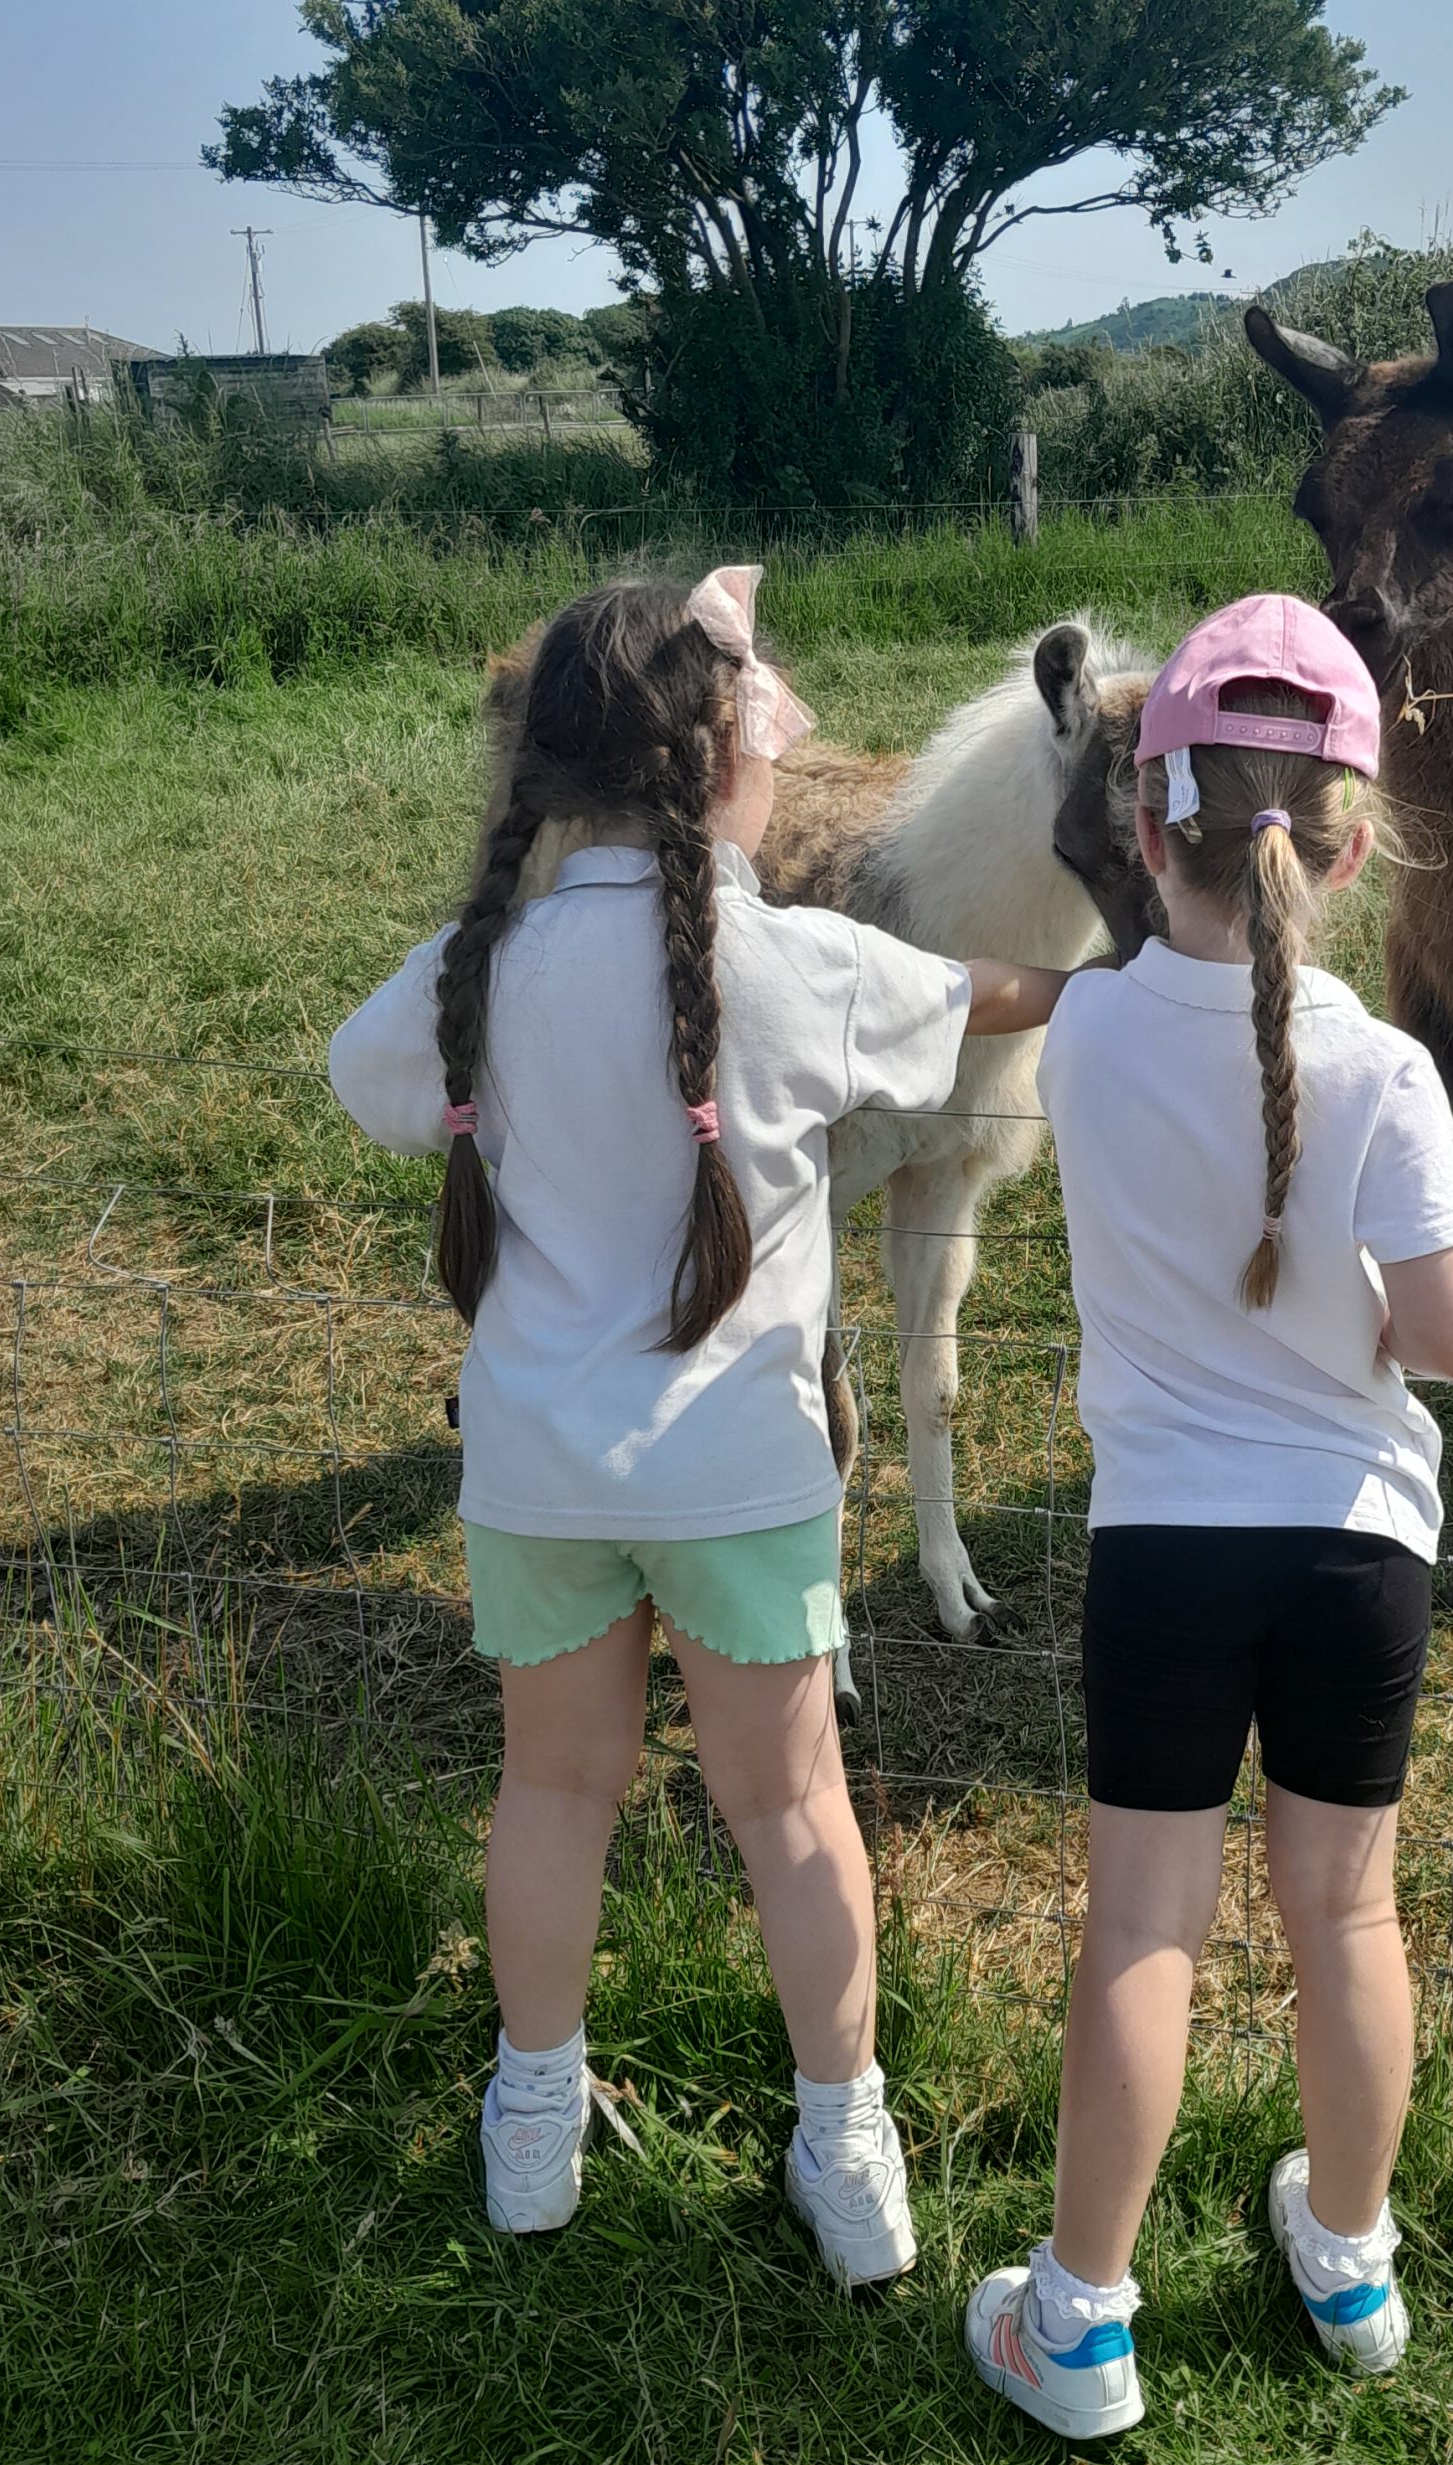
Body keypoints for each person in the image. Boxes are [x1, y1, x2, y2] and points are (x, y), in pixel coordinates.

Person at [329, 570, 1067, 2285]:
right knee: (794, 1810)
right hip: (742, 1475)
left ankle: (532, 2127)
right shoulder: (793, 964)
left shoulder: (482, 969)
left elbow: (368, 1076)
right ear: (720, 760)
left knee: (551, 1792)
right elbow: (973, 999)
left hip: (535, 1479)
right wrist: (1099, 982)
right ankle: (847, 2146)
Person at [965, 594, 1453, 2436]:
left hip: (1162, 1554)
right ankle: (1349, 2260)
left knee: (1143, 1931)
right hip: (1358, 1553)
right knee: (1348, 1919)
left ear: (1144, 827)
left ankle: (1080, 2326)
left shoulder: (1089, 1040)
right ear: (1351, 849)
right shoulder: (1390, 1072)